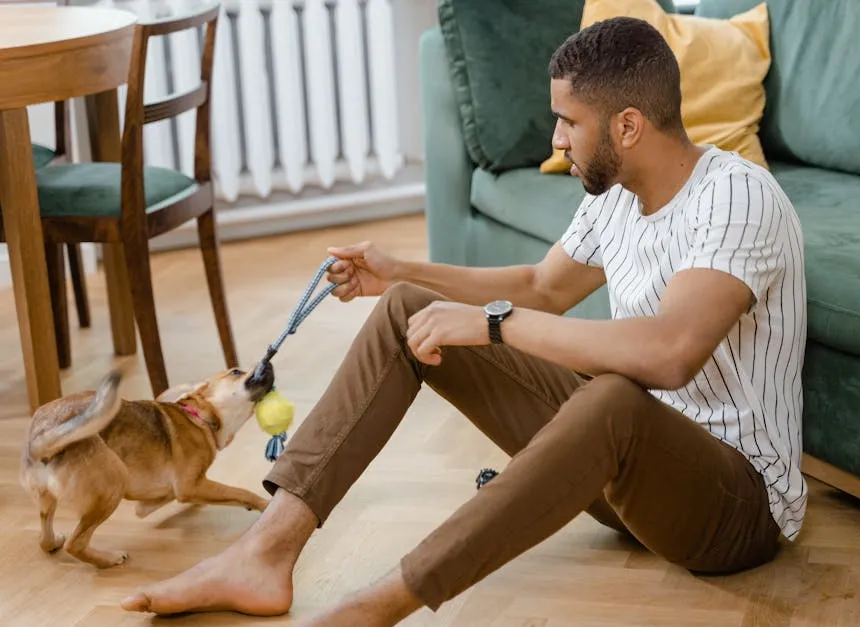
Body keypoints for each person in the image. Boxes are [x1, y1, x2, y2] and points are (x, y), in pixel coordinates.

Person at [121, 15, 807, 626]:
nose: (556, 138)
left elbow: (669, 352)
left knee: (614, 394)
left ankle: (377, 606)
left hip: (734, 508)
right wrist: (402, 272)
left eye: (570, 122)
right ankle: (265, 552)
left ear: (628, 126)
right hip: (628, 482)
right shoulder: (617, 194)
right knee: (406, 313)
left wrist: (493, 325)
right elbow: (541, 285)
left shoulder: (736, 198)